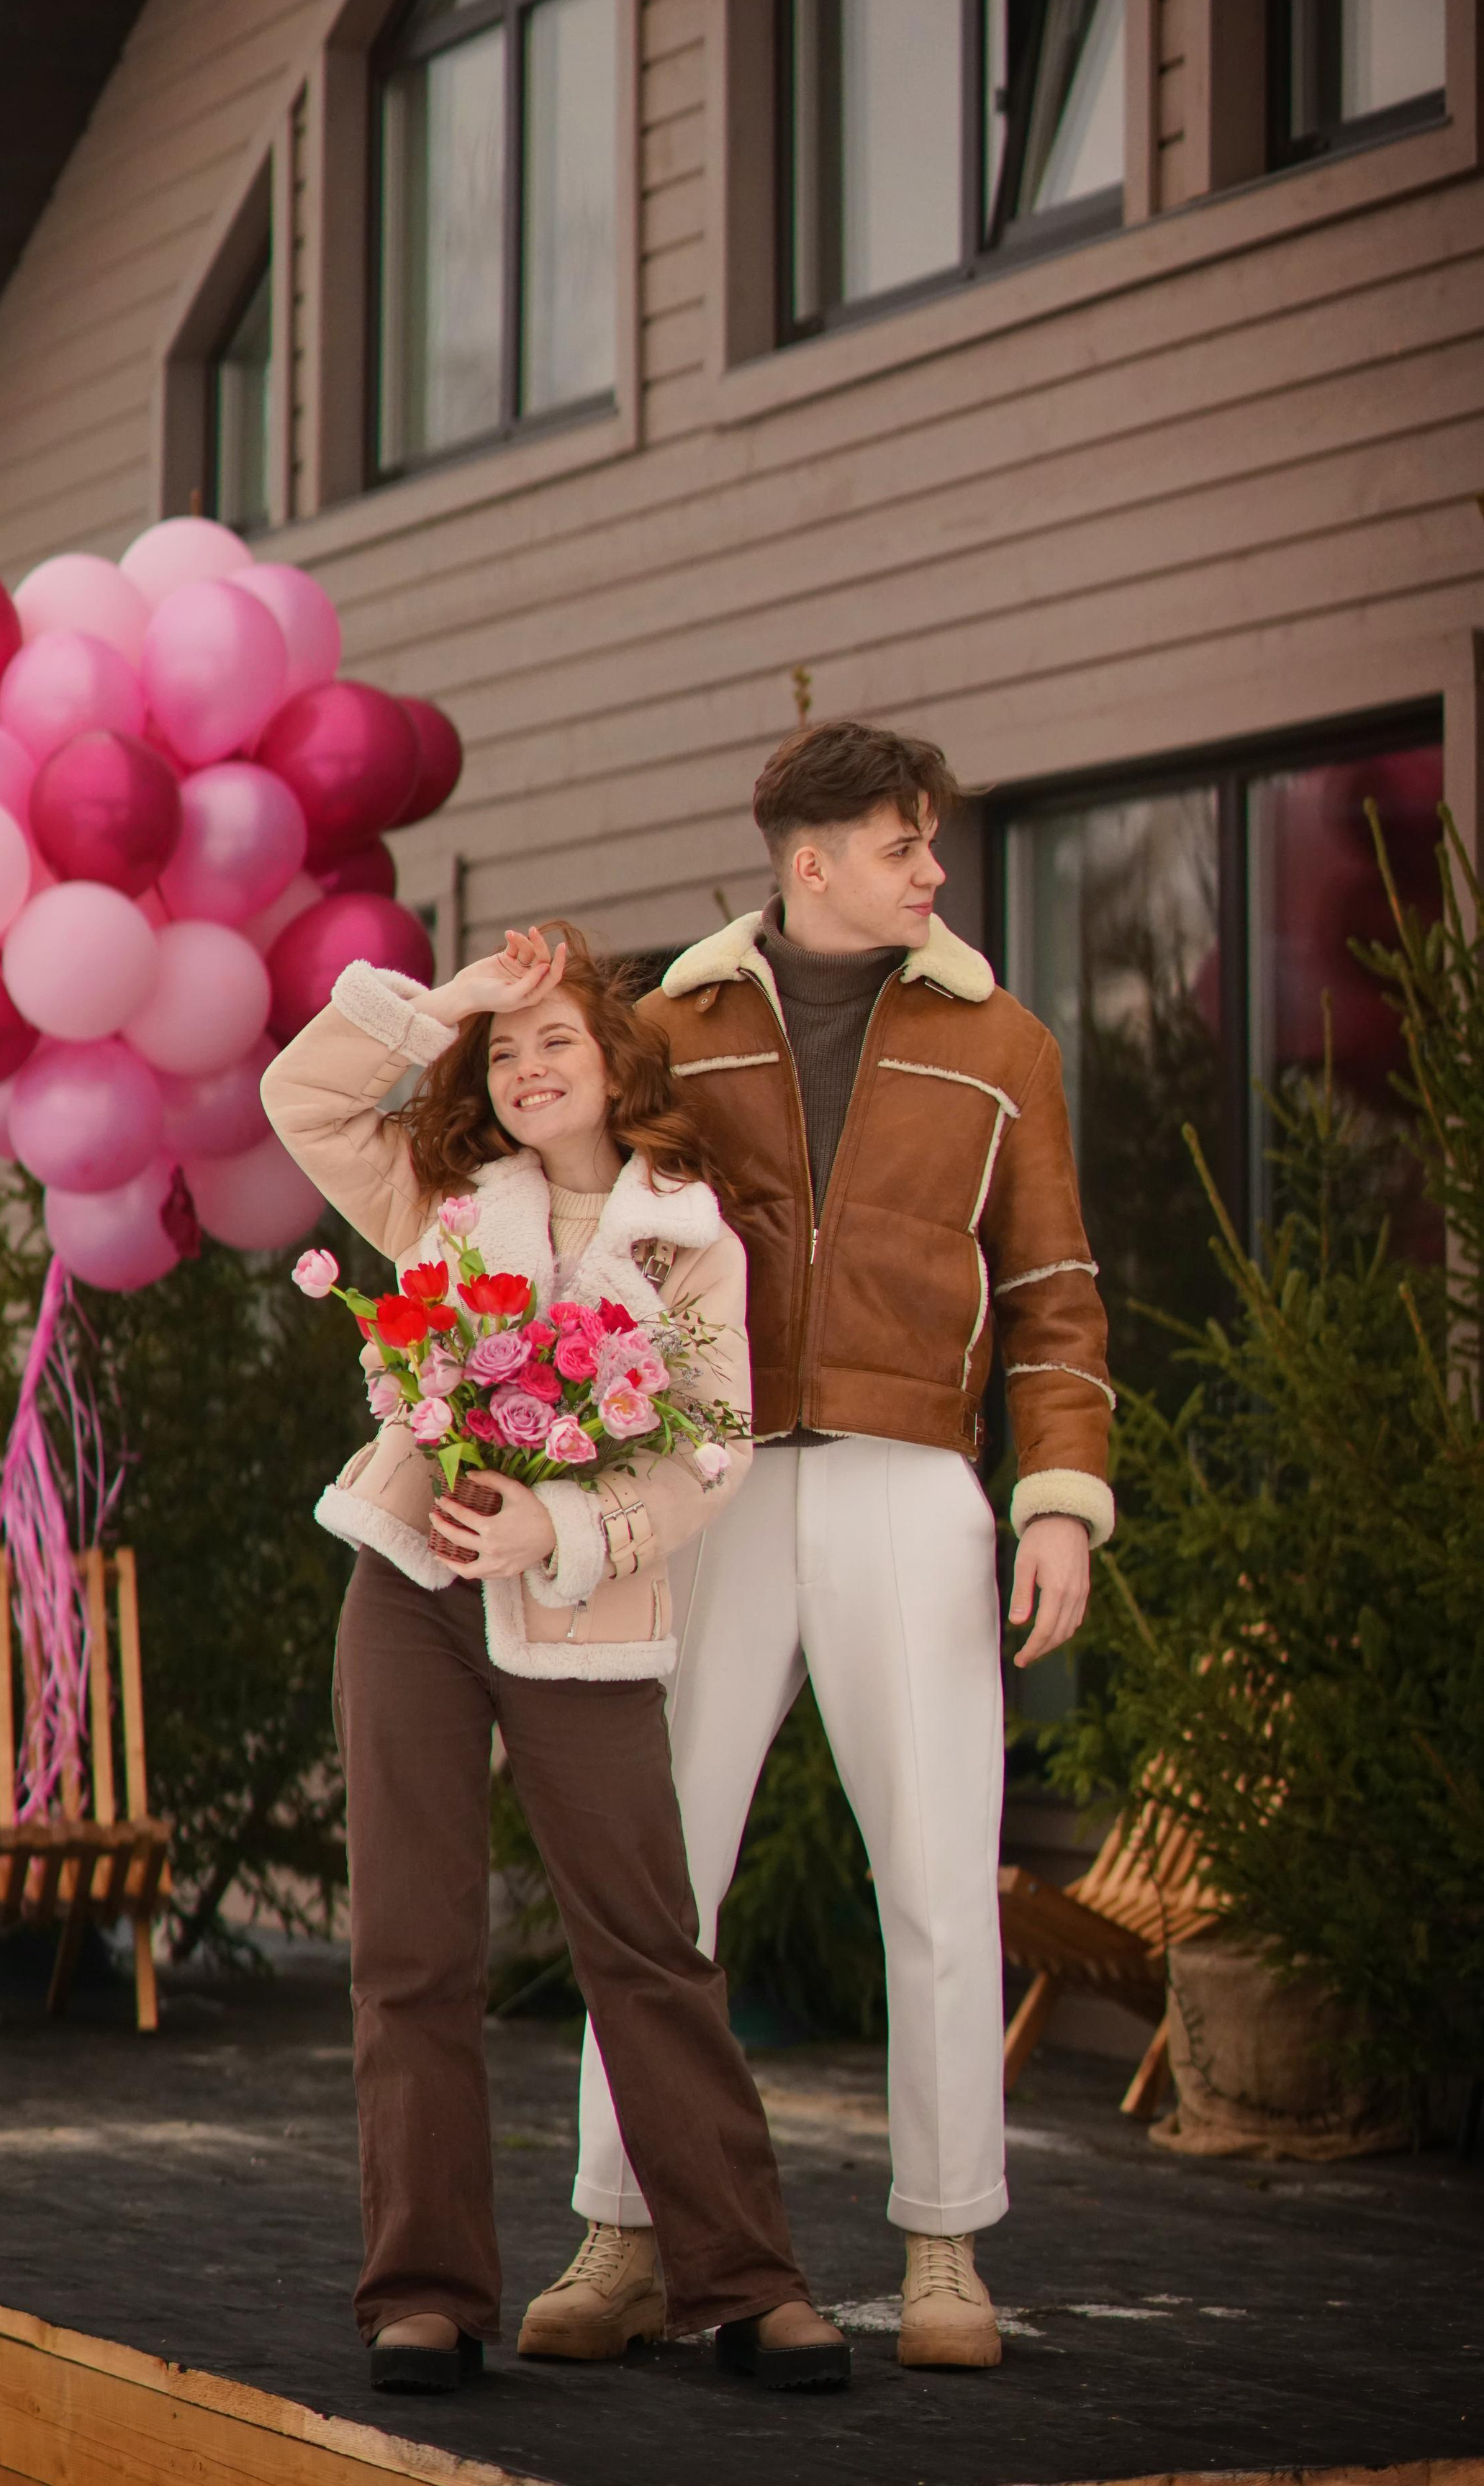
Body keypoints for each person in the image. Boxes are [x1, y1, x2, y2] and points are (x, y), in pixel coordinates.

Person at [519, 723, 1113, 2374]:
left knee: (934, 1875)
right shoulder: (666, 1029)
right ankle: (620, 2231)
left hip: (909, 1478)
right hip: (703, 1485)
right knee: (658, 1876)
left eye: (929, 843)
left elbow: (1056, 1294)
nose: (931, 870)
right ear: (811, 861)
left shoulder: (1002, 1042)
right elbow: (570, 1216)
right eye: (903, 844)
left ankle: (941, 2250)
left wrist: (1058, 1497)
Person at [260, 924, 848, 2396]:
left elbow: (711, 1451)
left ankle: (747, 2282)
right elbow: (306, 1101)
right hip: (410, 1585)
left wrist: (561, 1520)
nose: (525, 1067)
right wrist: (443, 1006)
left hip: (579, 1609)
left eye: (552, 1043)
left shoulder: (687, 1233)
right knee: (410, 1944)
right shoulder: (445, 1199)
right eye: (504, 1051)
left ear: (612, 1066)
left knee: (645, 1944)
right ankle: (423, 2291)